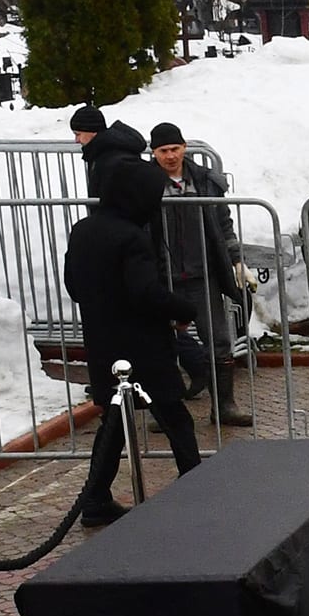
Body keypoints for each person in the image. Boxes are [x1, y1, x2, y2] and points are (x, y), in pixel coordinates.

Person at [66, 161, 204, 525]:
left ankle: (95, 498)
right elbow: (145, 292)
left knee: (113, 425)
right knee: (175, 417)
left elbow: (73, 286)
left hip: (103, 342)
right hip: (142, 345)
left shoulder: (82, 231)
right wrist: (184, 308)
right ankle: (200, 486)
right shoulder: (131, 236)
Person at [149, 121, 250, 426]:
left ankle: (224, 407)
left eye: (175, 148)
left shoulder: (206, 181)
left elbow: (224, 224)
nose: (170, 156)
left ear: (184, 148)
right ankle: (167, 412)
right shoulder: (144, 183)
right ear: (153, 153)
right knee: (159, 344)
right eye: (163, 150)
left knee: (219, 341)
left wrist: (236, 260)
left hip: (203, 275)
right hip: (163, 278)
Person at [70, 106, 147, 199]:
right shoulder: (99, 150)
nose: (76, 140)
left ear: (92, 131)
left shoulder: (111, 156)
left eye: (78, 134)